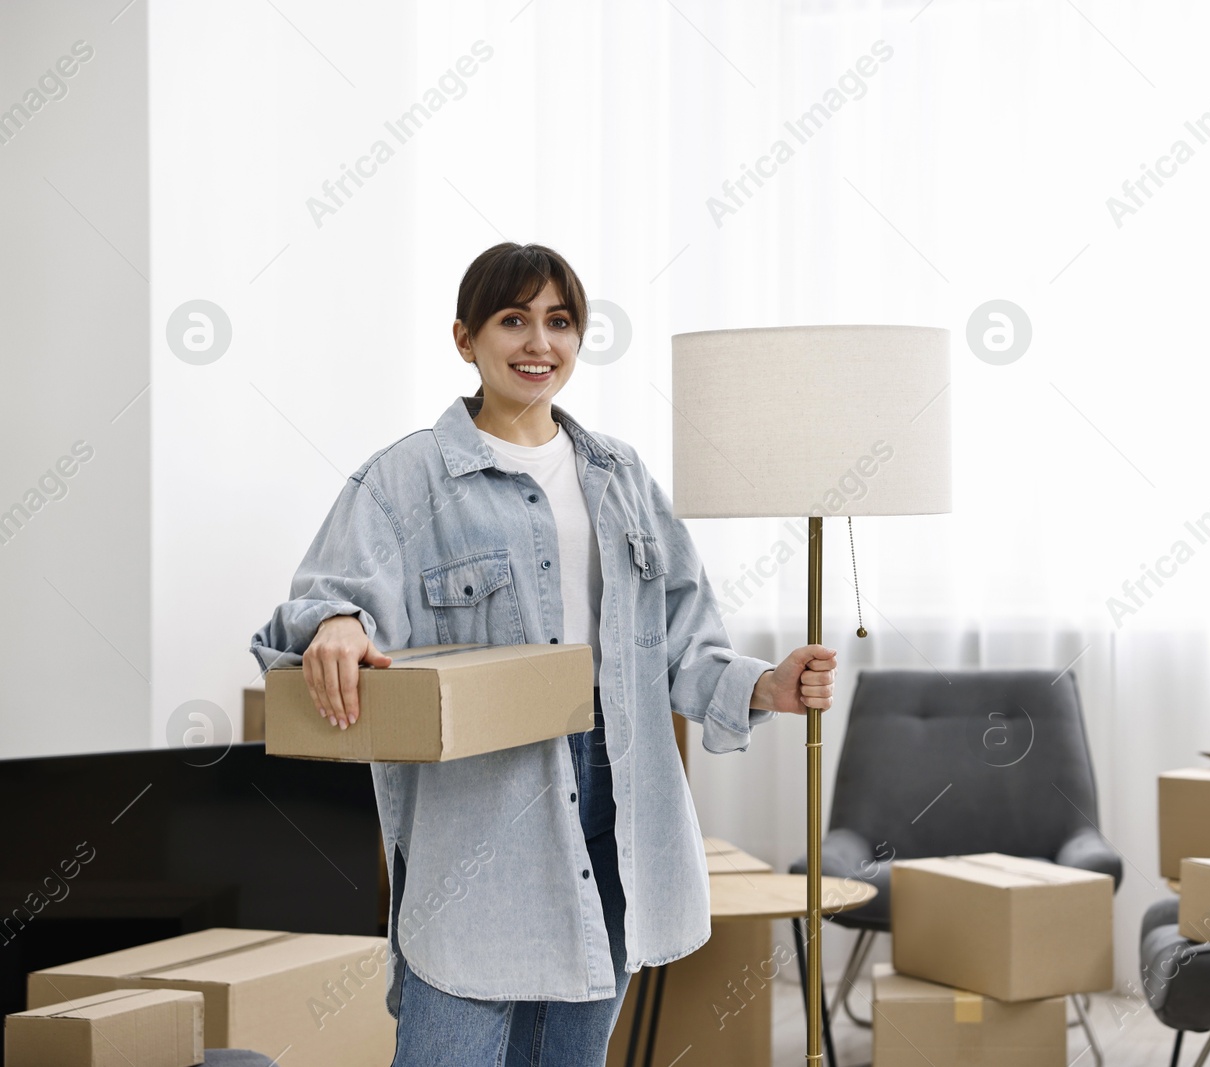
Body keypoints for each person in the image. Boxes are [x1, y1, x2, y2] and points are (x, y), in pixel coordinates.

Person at [248, 242, 836, 1065]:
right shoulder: (406, 478)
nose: (539, 343)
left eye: (560, 322)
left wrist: (766, 685)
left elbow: (680, 640)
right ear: (466, 339)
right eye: (513, 319)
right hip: (480, 813)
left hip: (616, 796)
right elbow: (320, 605)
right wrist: (335, 623)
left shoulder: (620, 475)